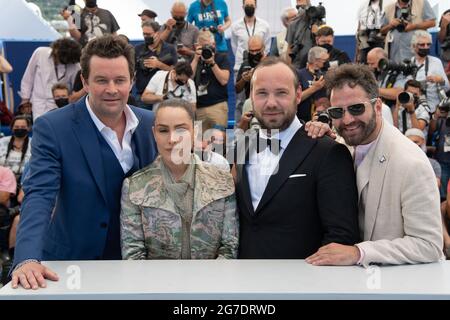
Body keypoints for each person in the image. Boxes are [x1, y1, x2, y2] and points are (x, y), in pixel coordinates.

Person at [11, 35, 158, 290]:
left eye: (120, 80)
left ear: (132, 81)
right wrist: (27, 258)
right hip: (72, 266)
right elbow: (39, 195)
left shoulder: (153, 124)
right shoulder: (53, 127)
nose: (111, 89)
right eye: (101, 80)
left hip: (139, 267)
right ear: (84, 81)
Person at [305, 63, 443, 266]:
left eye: (356, 108)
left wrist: (359, 253)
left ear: (377, 107)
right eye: (337, 112)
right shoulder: (339, 144)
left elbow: (428, 245)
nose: (347, 120)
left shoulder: (411, 164)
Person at [235, 57, 360, 259]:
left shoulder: (327, 152)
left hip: (301, 284)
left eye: (281, 93)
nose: (271, 103)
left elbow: (341, 235)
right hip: (245, 280)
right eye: (262, 93)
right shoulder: (242, 147)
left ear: (299, 94)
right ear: (251, 96)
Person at [121, 99, 238, 260]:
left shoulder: (222, 182)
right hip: (155, 283)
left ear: (195, 132)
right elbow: (133, 254)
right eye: (163, 130)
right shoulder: (135, 187)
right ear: (154, 133)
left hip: (212, 282)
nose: (172, 139)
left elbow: (229, 248)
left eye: (181, 130)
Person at [20, 38, 81, 120]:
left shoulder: (75, 64)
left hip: (61, 105)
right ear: (55, 50)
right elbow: (28, 77)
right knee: (40, 129)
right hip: (39, 104)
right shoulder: (40, 53)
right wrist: (25, 100)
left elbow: (75, 88)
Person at [191, 30, 230, 132]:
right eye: (204, 47)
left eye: (209, 46)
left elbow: (224, 80)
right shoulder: (195, 59)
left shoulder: (221, 58)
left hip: (217, 106)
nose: (207, 49)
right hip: (199, 108)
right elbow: (188, 79)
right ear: (197, 47)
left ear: (214, 45)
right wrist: (195, 59)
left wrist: (212, 63)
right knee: (199, 145)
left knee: (218, 145)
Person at [134, 21, 178, 109]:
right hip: (142, 96)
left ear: (157, 33)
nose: (146, 36)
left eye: (149, 34)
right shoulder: (138, 49)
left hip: (163, 96)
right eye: (144, 34)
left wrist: (159, 65)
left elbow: (176, 72)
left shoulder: (169, 49)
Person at [0, 116, 32, 182]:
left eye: (23, 127)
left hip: (26, 181)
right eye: (16, 127)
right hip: (2, 180)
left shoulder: (34, 144)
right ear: (12, 128)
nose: (20, 129)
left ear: (28, 128)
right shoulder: (2, 142)